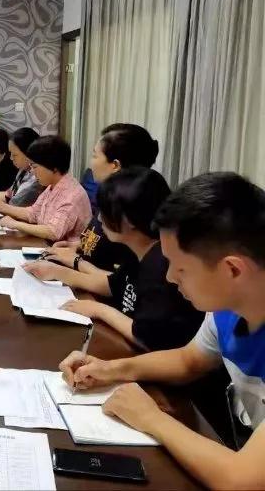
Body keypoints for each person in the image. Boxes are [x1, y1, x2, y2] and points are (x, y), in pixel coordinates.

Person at [58, 172, 265, 489]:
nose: (169, 278)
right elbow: (188, 360)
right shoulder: (227, 309)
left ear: (233, 269)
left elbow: (241, 479)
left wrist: (151, 418)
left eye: (181, 268)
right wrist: (110, 369)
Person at [24, 168, 205, 350]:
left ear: (129, 220)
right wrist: (57, 272)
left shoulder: (161, 265)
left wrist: (99, 310)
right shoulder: (137, 251)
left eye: (105, 211)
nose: (99, 218)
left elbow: (147, 338)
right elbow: (112, 285)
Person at [44, 123, 160, 272]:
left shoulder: (132, 209)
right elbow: (99, 244)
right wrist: (76, 246)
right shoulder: (109, 197)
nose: (91, 163)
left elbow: (119, 280)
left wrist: (74, 262)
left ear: (115, 165)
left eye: (95, 155)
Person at [0, 136, 91, 242]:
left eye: (34, 166)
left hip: (63, 249)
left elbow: (53, 232)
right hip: (46, 245)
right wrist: (1, 207)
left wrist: (15, 224)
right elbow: (33, 213)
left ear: (54, 166)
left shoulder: (72, 194)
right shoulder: (52, 186)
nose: (31, 171)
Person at [0, 127, 44, 207]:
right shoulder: (22, 170)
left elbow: (16, 203)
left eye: (15, 155)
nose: (11, 158)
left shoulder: (37, 177)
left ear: (28, 152)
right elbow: (8, 195)